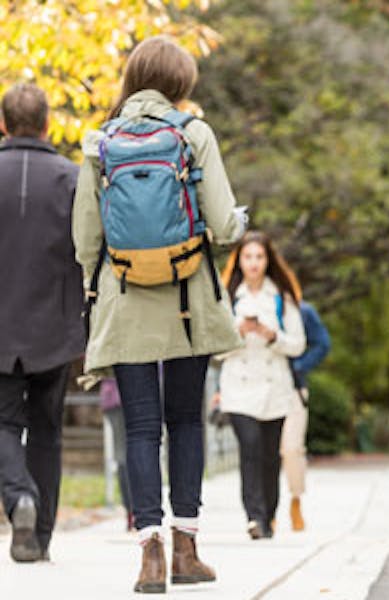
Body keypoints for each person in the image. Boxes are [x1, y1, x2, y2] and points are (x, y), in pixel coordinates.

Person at [74, 35, 245, 593]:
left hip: (123, 299)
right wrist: (235, 225)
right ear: (181, 83)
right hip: (187, 300)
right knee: (187, 422)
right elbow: (221, 225)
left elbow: (85, 237)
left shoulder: (99, 142)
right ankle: (187, 550)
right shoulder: (193, 134)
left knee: (141, 429)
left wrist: (96, 283)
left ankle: (148, 554)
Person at [0, 82, 85, 563]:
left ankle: (19, 501)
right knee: (48, 429)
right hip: (55, 326)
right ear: (48, 124)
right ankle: (42, 535)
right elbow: (88, 252)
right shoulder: (72, 179)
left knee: (3, 423)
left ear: (3, 124)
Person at [217, 231, 306, 541]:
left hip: (274, 386)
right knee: (250, 447)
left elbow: (298, 344)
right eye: (248, 257)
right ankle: (253, 515)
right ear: (239, 260)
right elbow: (214, 348)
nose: (254, 263)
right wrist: (237, 333)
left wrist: (272, 336)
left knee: (270, 455)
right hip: (238, 386)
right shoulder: (226, 296)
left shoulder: (282, 297)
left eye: (259, 257)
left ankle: (268, 515)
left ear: (268, 260)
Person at [283, 299, 331, 531]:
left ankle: (295, 500)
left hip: (293, 387)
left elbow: (323, 344)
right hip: (258, 388)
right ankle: (263, 511)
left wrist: (299, 366)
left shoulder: (302, 311)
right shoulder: (248, 306)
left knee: (292, 449)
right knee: (261, 452)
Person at [99, 378, 135, 532]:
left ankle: (131, 512)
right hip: (136, 395)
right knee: (132, 454)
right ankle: (136, 510)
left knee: (122, 455)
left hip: (112, 396)